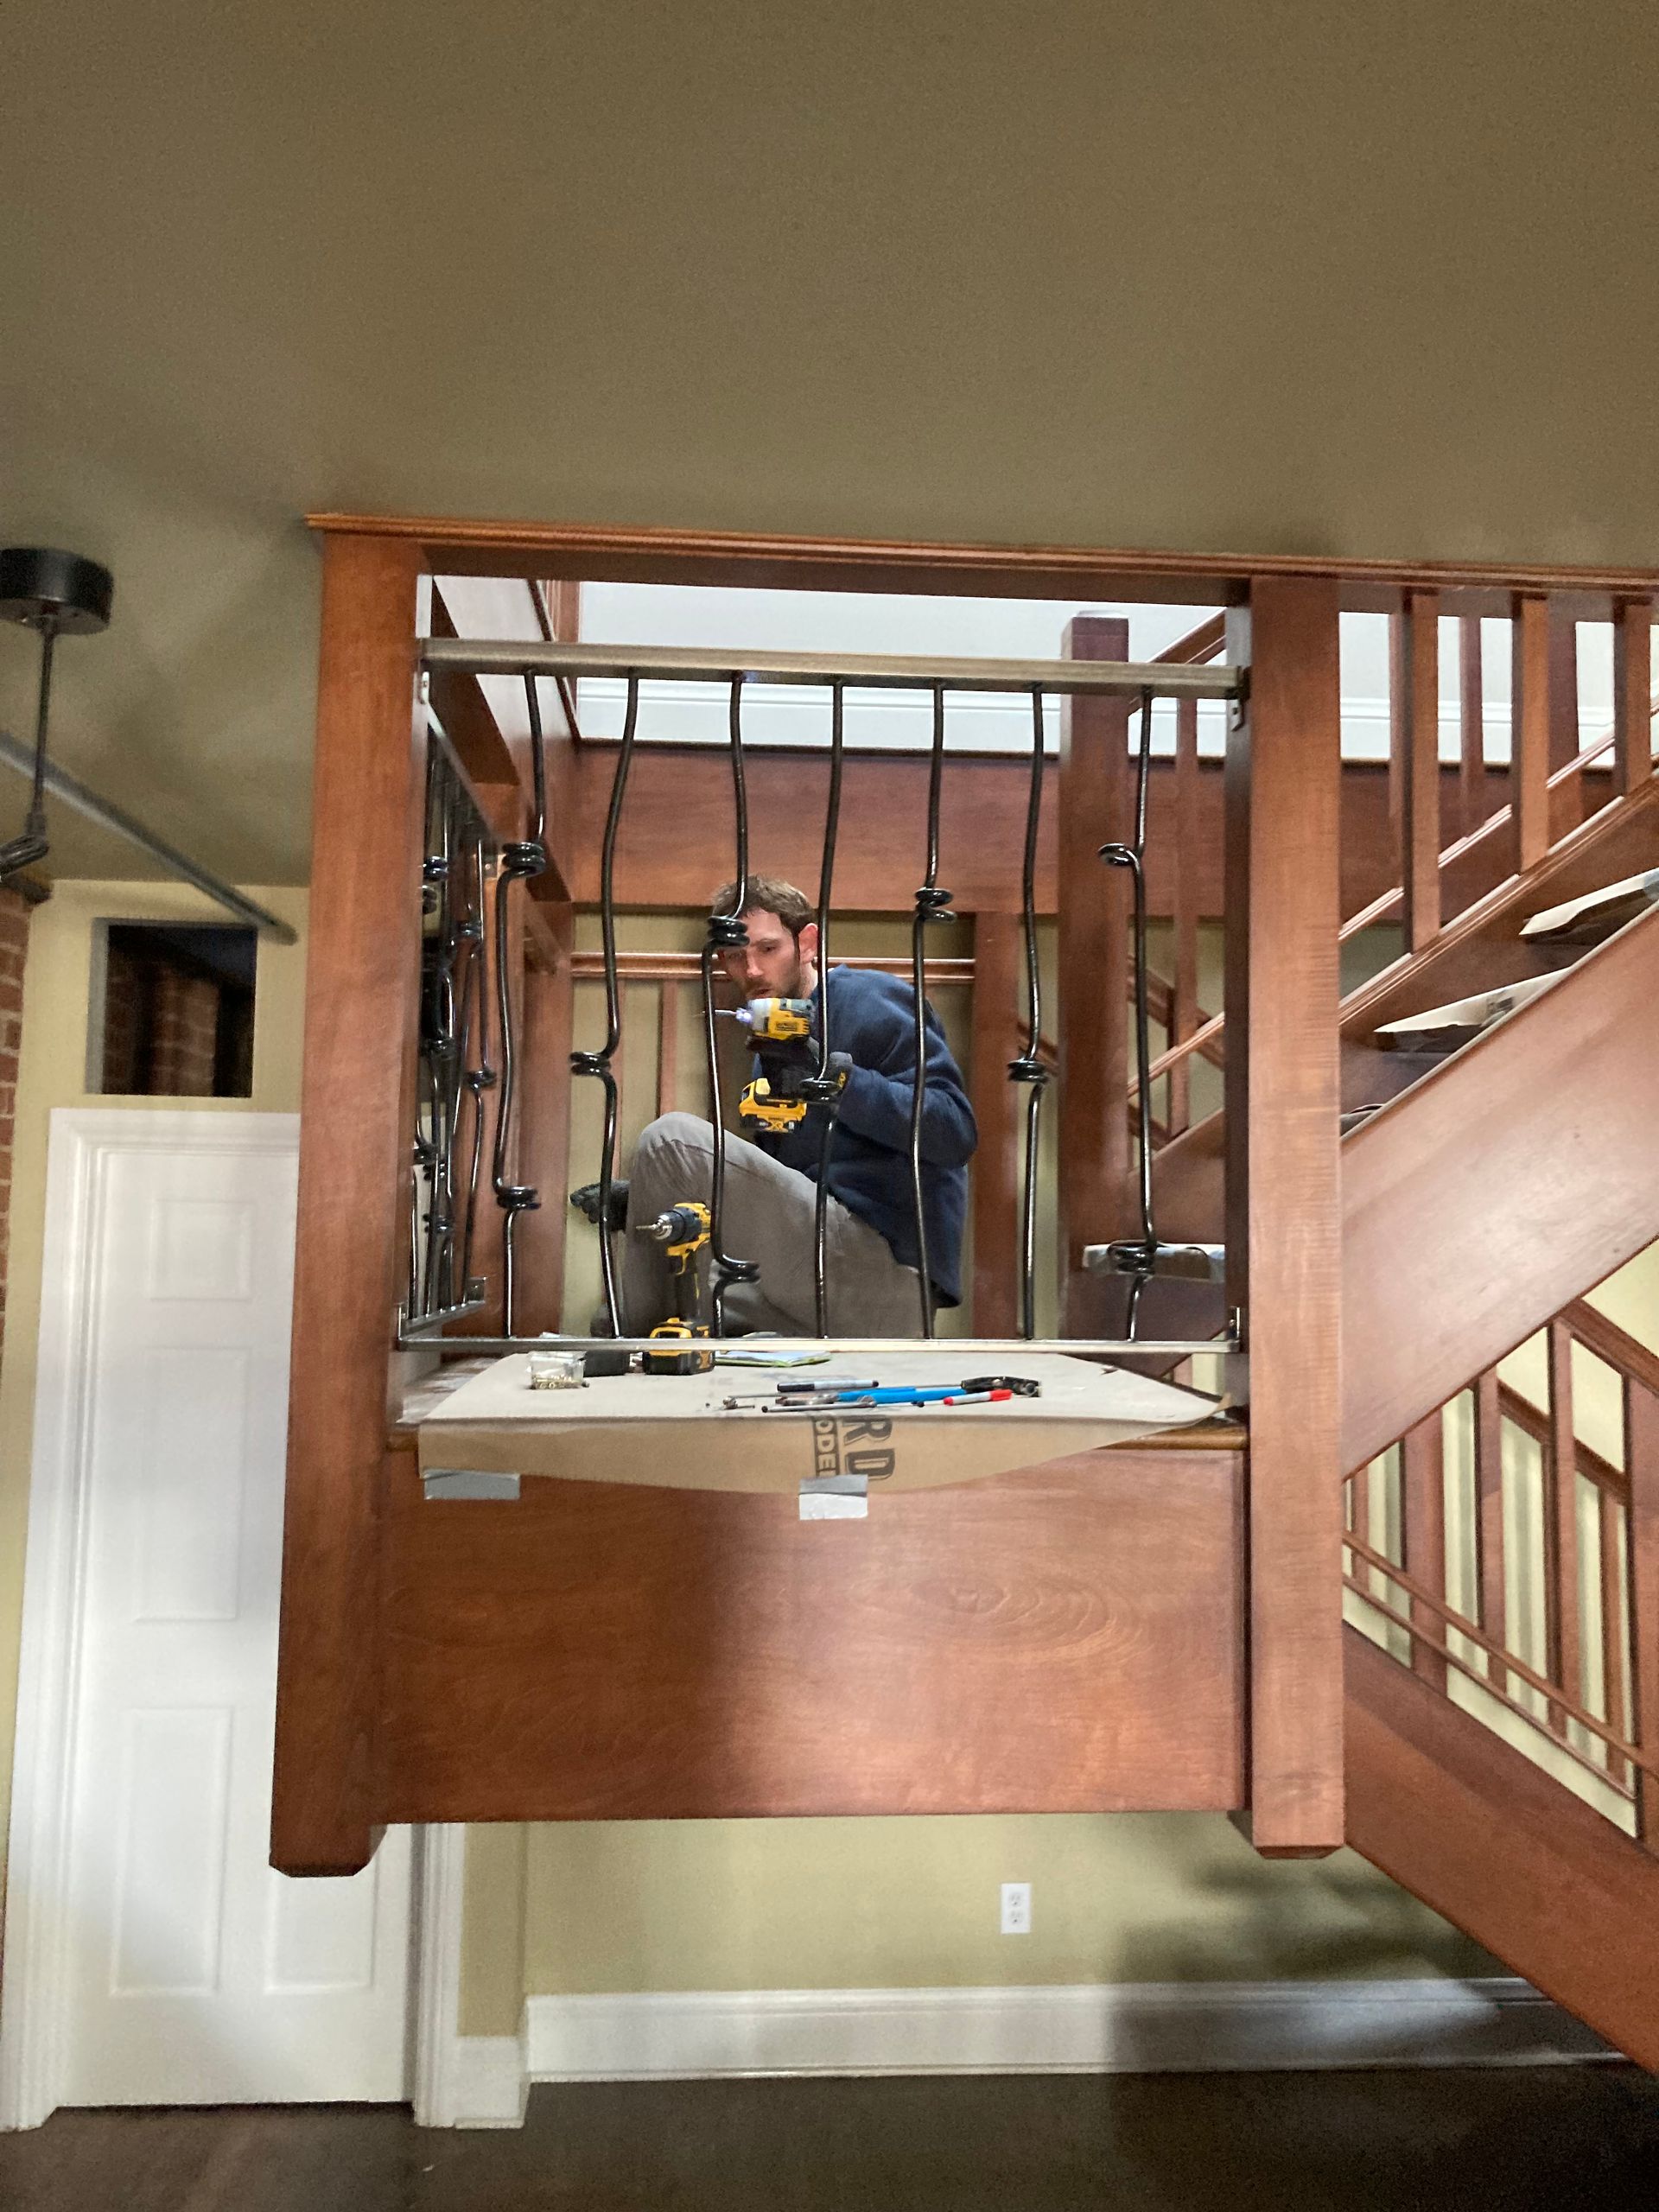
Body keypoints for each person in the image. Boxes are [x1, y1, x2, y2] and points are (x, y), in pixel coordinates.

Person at [586, 875, 976, 1336]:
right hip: (816, 1271)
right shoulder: (774, 1050)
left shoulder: (866, 998)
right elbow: (780, 1189)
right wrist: (649, 1199)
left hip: (882, 1269)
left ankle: (635, 1352)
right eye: (735, 955)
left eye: (767, 949)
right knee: (664, 1303)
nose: (750, 970)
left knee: (670, 1139)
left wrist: (838, 1081)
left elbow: (954, 1132)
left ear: (808, 943)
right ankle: (651, 1343)